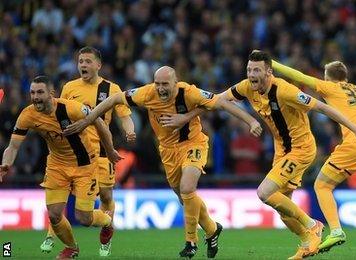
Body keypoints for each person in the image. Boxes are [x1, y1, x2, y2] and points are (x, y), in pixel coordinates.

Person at [63, 66, 262, 258]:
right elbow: (115, 99)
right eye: (157, 83)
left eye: (165, 84)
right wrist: (87, 120)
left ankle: (190, 242)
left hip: (193, 143)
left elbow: (221, 102)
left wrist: (251, 121)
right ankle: (211, 229)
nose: (160, 88)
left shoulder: (189, 92)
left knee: (187, 187)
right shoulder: (147, 93)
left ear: (176, 82)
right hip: (167, 151)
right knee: (184, 196)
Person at [221, 50, 356, 259]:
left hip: (301, 149)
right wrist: (250, 120)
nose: (251, 74)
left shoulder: (285, 91)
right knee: (283, 209)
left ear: (269, 72)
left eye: (256, 70)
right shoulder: (247, 87)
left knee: (264, 192)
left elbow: (324, 109)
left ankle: (312, 225)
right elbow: (219, 101)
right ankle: (308, 242)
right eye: (248, 69)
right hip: (282, 150)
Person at [270, 59, 356, 257]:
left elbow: (300, 77)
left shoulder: (330, 87)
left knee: (322, 186)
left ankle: (336, 230)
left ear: (327, 77)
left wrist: (272, 64)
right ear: (345, 76)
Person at [0, 76, 122, 259]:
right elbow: (13, 146)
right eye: (32, 92)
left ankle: (107, 221)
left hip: (84, 165)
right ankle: (72, 248)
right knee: (54, 215)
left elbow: (100, 124)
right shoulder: (27, 115)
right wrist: (6, 164)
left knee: (84, 218)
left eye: (40, 92)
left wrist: (110, 151)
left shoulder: (71, 108)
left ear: (51, 93)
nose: (35, 97)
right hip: (57, 165)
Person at [40, 46, 136, 257]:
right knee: (61, 194)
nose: (83, 64)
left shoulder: (111, 89)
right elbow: (58, 113)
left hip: (102, 150)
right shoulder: (69, 87)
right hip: (75, 151)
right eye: (80, 61)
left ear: (98, 65)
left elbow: (124, 114)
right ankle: (51, 234)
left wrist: (130, 131)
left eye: (87, 61)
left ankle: (106, 230)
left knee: (106, 194)